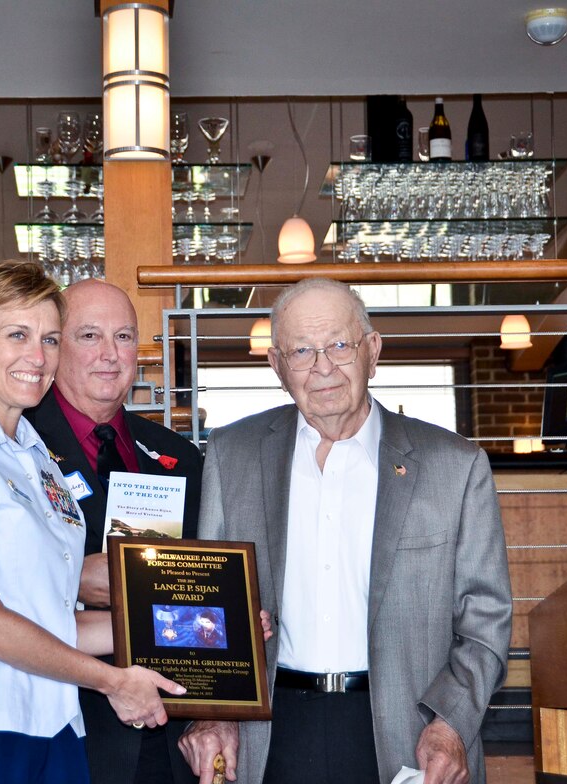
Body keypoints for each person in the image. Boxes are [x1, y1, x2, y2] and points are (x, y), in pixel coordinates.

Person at [179, 278, 512, 784]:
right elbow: (205, 609)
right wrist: (212, 711)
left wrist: (450, 724)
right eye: (302, 352)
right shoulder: (232, 455)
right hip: (270, 738)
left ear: (372, 350)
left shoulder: (455, 466)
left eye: (339, 345)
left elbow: (486, 620)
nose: (323, 368)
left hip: (412, 734)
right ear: (277, 367)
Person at [0, 261, 184, 784]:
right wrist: (112, 681)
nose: (36, 358)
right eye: (16, 335)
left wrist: (196, 629)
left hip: (51, 729)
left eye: (48, 339)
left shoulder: (36, 458)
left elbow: (51, 618)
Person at [25, 277, 203, 784]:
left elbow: (197, 578)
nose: (110, 354)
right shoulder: (18, 446)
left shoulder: (178, 457)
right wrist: (71, 577)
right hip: (64, 724)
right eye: (89, 336)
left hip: (167, 729)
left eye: (124, 337)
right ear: (55, 347)